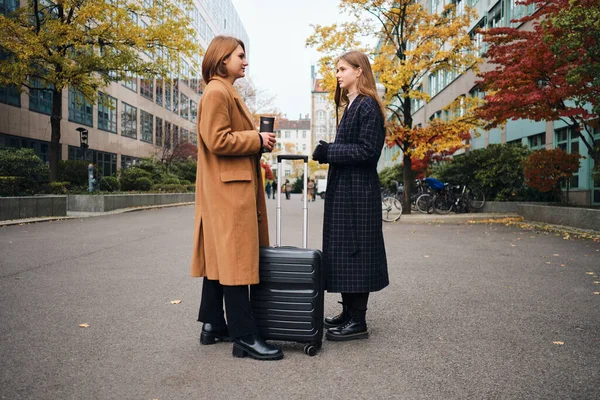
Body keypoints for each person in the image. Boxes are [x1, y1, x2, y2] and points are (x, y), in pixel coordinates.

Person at [190, 36, 283, 361]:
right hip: (229, 190)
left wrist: (256, 139)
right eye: (240, 56)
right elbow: (217, 139)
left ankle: (213, 325)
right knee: (235, 260)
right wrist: (255, 138)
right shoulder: (217, 91)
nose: (245, 61)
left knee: (222, 256)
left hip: (227, 187)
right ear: (222, 58)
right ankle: (245, 335)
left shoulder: (223, 90)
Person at [312, 50, 389, 341]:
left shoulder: (367, 106)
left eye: (343, 68)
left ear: (359, 71)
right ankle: (348, 313)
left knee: (356, 251)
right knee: (345, 251)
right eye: (337, 69)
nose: (337, 74)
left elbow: (368, 151)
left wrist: (329, 151)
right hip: (348, 190)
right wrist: (330, 150)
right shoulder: (353, 105)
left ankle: (358, 321)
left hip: (358, 192)